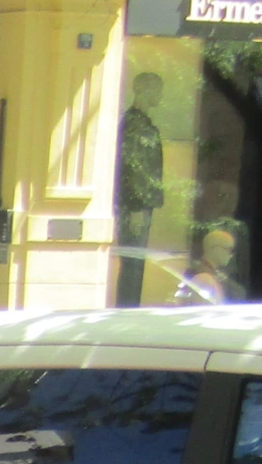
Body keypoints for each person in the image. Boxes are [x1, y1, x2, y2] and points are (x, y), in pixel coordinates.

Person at [115, 72, 165, 308]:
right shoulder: (134, 125)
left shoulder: (142, 123)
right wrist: (135, 206)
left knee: (136, 263)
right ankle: (126, 310)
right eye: (156, 89)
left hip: (141, 204)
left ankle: (129, 308)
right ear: (142, 90)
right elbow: (131, 166)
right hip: (134, 206)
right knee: (133, 263)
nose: (160, 94)